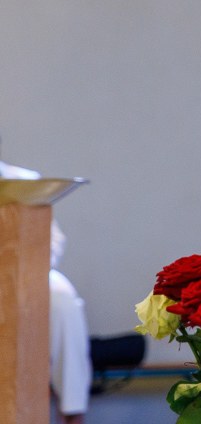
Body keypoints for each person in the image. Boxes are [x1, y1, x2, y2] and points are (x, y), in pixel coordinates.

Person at [0, 153, 89, 424]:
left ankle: (72, 408)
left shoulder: (24, 181)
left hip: (18, 273)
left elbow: (53, 240)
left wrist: (23, 267)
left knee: (61, 296)